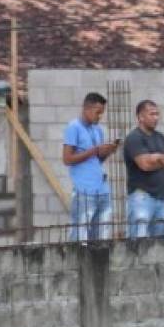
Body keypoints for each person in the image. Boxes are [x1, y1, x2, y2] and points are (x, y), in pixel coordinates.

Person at [62, 92, 119, 244]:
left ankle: (98, 265)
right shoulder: (73, 127)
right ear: (86, 108)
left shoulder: (97, 130)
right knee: (81, 237)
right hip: (84, 190)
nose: (99, 116)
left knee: (102, 236)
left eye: (102, 113)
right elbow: (67, 159)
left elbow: (97, 160)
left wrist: (107, 152)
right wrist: (95, 150)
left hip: (101, 189)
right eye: (97, 112)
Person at [122, 100, 164, 238]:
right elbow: (144, 165)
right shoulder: (134, 138)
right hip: (141, 197)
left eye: (157, 114)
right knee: (139, 243)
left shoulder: (161, 138)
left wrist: (157, 157)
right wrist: (163, 159)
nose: (156, 117)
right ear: (140, 117)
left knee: (162, 243)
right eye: (152, 114)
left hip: (161, 198)